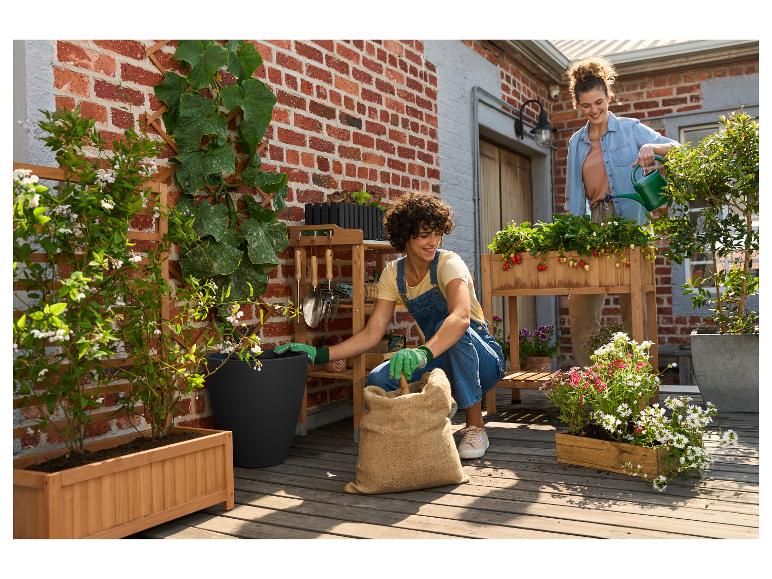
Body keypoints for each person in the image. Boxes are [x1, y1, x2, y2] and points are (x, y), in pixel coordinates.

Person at [276, 192, 505, 459]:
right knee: (379, 378)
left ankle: (475, 427)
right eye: (424, 235)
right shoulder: (393, 274)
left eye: (437, 234)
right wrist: (321, 354)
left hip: (484, 362)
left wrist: (422, 352)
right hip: (442, 359)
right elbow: (373, 332)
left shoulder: (448, 263)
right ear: (405, 236)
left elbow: (461, 318)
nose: (433, 242)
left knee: (454, 329)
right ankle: (425, 416)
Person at [565, 56, 680, 367]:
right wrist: (573, 236)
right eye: (586, 105)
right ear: (578, 104)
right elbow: (573, 196)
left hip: (632, 224)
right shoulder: (575, 143)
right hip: (594, 224)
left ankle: (640, 384)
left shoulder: (632, 130)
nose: (594, 110)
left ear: (609, 97)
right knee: (581, 304)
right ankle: (591, 382)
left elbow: (681, 150)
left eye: (599, 102)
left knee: (636, 305)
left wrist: (652, 149)